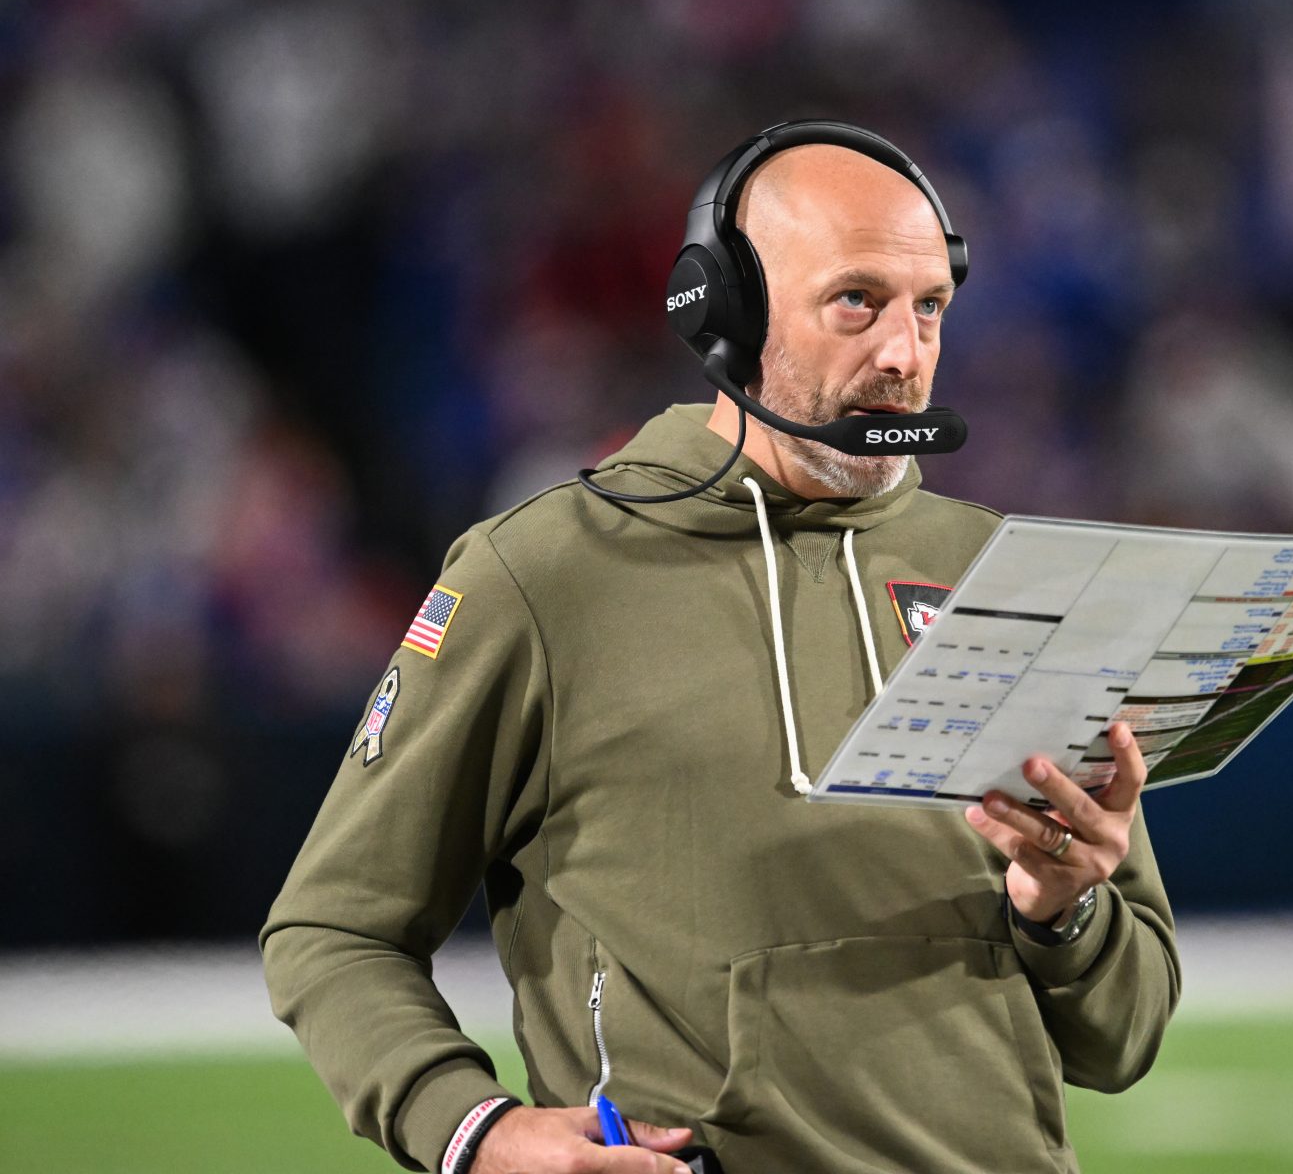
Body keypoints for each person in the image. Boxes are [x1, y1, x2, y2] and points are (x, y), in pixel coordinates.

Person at [261, 124, 1180, 1174]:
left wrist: (1065, 912)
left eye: (930, 307)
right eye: (857, 301)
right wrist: (477, 1132)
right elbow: (333, 930)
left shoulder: (1014, 582)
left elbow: (1125, 1034)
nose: (904, 353)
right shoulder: (545, 574)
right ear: (727, 314)